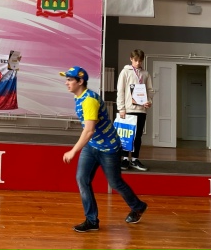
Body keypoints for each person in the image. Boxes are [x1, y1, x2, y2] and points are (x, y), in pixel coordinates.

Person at [60, 66, 147, 233]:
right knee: (82, 179)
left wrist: (73, 151)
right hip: (92, 145)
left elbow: (89, 130)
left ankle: (138, 206)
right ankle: (92, 220)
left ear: (80, 81)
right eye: (67, 79)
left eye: (70, 80)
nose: (66, 83)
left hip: (109, 148)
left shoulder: (89, 100)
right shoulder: (79, 97)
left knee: (115, 183)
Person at [116, 49, 154, 172]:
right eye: (136, 60)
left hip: (141, 110)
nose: (138, 63)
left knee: (138, 136)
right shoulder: (125, 72)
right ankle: (125, 159)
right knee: (127, 135)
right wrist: (121, 108)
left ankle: (135, 159)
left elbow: (150, 90)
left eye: (140, 61)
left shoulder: (145, 74)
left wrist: (148, 101)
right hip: (128, 109)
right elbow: (120, 91)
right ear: (131, 59)